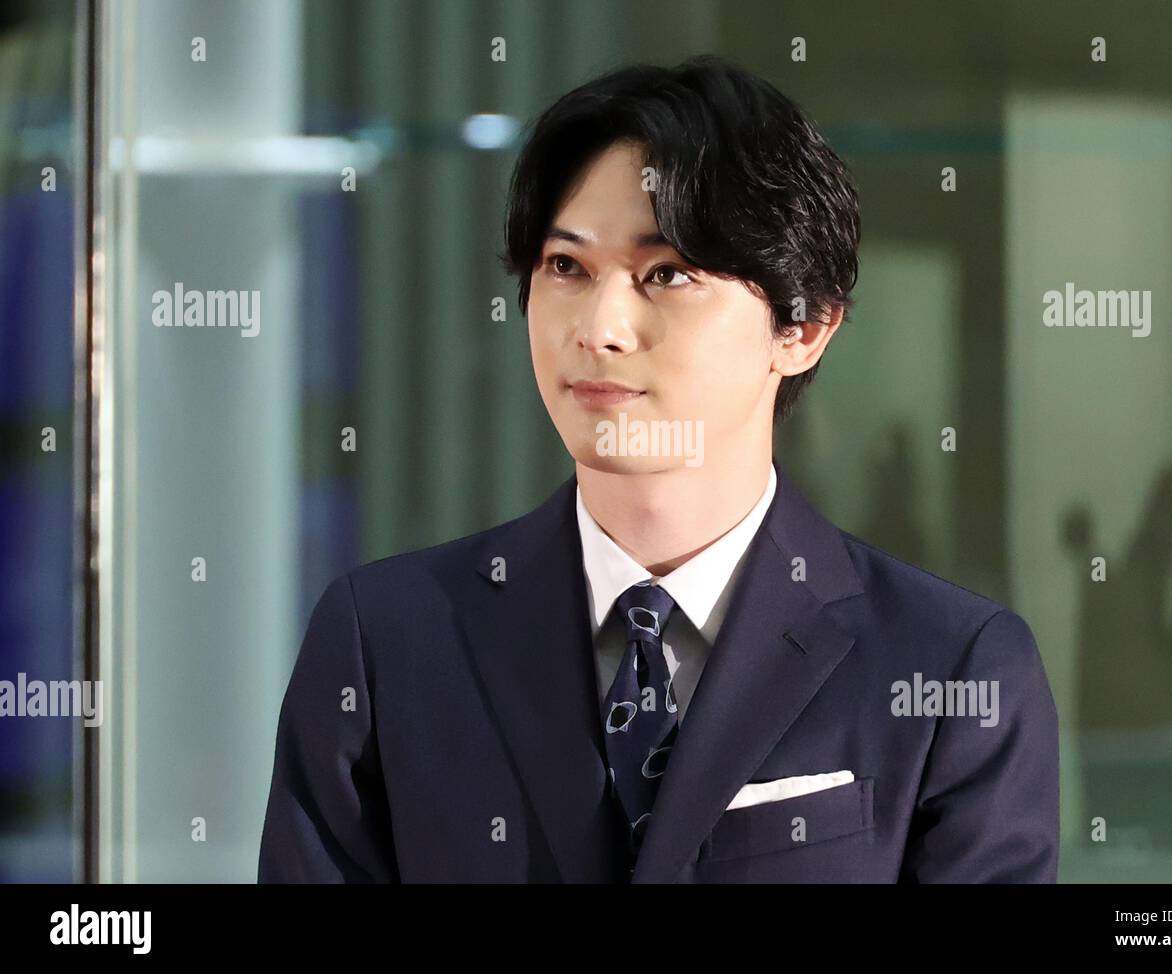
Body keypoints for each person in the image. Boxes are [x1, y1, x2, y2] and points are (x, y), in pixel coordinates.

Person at [258, 55, 1059, 883]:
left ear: (805, 326)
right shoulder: (385, 643)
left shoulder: (950, 668)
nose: (600, 327)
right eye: (566, 266)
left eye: (666, 273)